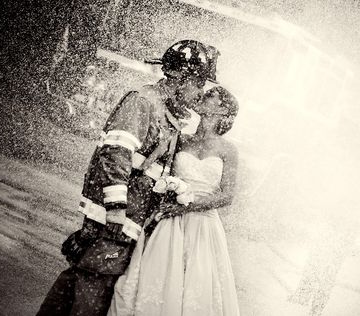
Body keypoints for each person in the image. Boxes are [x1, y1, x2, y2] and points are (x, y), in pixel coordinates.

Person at [36, 40, 220, 316]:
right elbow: (115, 153)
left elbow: (148, 170)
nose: (200, 92)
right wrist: (116, 211)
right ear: (181, 77)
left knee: (78, 282)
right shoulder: (143, 103)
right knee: (94, 293)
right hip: (115, 220)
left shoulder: (167, 112)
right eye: (199, 83)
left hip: (126, 221)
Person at [108, 86, 240, 316]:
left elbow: (227, 195)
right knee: (158, 277)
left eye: (211, 96)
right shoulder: (181, 139)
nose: (203, 95)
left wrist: (186, 205)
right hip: (171, 221)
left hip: (203, 226)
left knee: (197, 285)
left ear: (223, 111)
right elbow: (158, 170)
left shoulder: (228, 149)